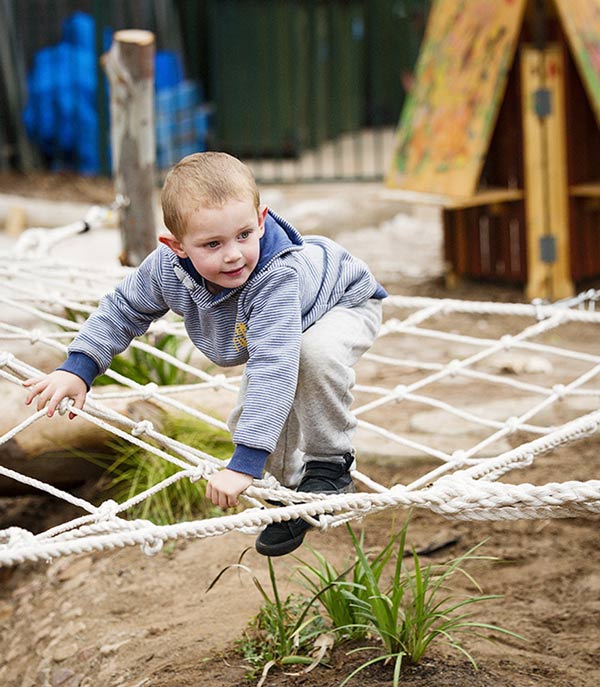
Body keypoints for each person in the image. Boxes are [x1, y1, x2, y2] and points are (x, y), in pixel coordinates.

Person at [23, 152, 386, 556]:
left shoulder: (275, 276)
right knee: (250, 416)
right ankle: (293, 496)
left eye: (245, 235)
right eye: (213, 244)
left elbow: (274, 369)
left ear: (262, 221)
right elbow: (123, 309)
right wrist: (79, 368)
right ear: (176, 246)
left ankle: (329, 466)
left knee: (311, 356)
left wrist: (243, 463)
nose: (232, 254)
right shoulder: (165, 268)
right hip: (283, 328)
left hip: (342, 303)